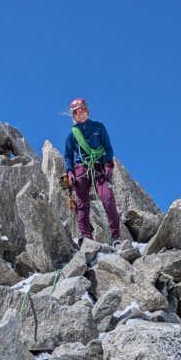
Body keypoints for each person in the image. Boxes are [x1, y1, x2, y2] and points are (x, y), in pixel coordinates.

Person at [64, 97, 122, 248]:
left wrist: (108, 165)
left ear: (87, 111)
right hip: (80, 169)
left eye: (82, 110)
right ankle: (86, 237)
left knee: (107, 199)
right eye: (77, 112)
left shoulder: (99, 128)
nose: (80, 113)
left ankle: (115, 236)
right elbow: (68, 155)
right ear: (74, 115)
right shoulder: (72, 134)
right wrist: (70, 172)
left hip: (98, 167)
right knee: (82, 204)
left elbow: (108, 148)